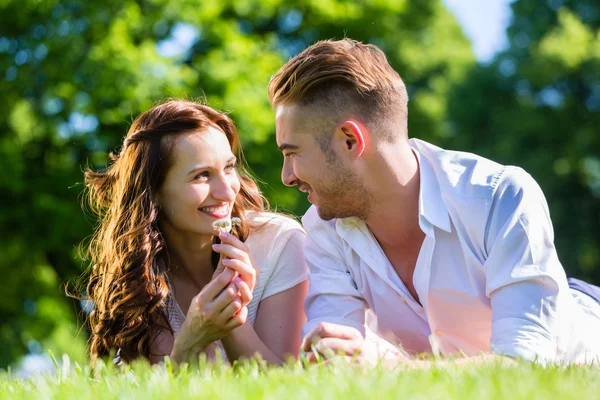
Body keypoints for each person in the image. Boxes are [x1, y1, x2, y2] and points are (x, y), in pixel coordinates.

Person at [267, 38, 600, 366]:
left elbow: (525, 363)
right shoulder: (324, 229)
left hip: (581, 328)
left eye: (292, 153)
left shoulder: (499, 196)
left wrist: (397, 368)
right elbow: (330, 359)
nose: (287, 176)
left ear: (350, 140)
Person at [82, 100, 308, 365]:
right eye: (201, 175)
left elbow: (285, 387)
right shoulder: (139, 278)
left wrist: (230, 316)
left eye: (229, 167)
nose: (227, 192)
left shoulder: (280, 244)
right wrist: (190, 340)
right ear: (152, 192)